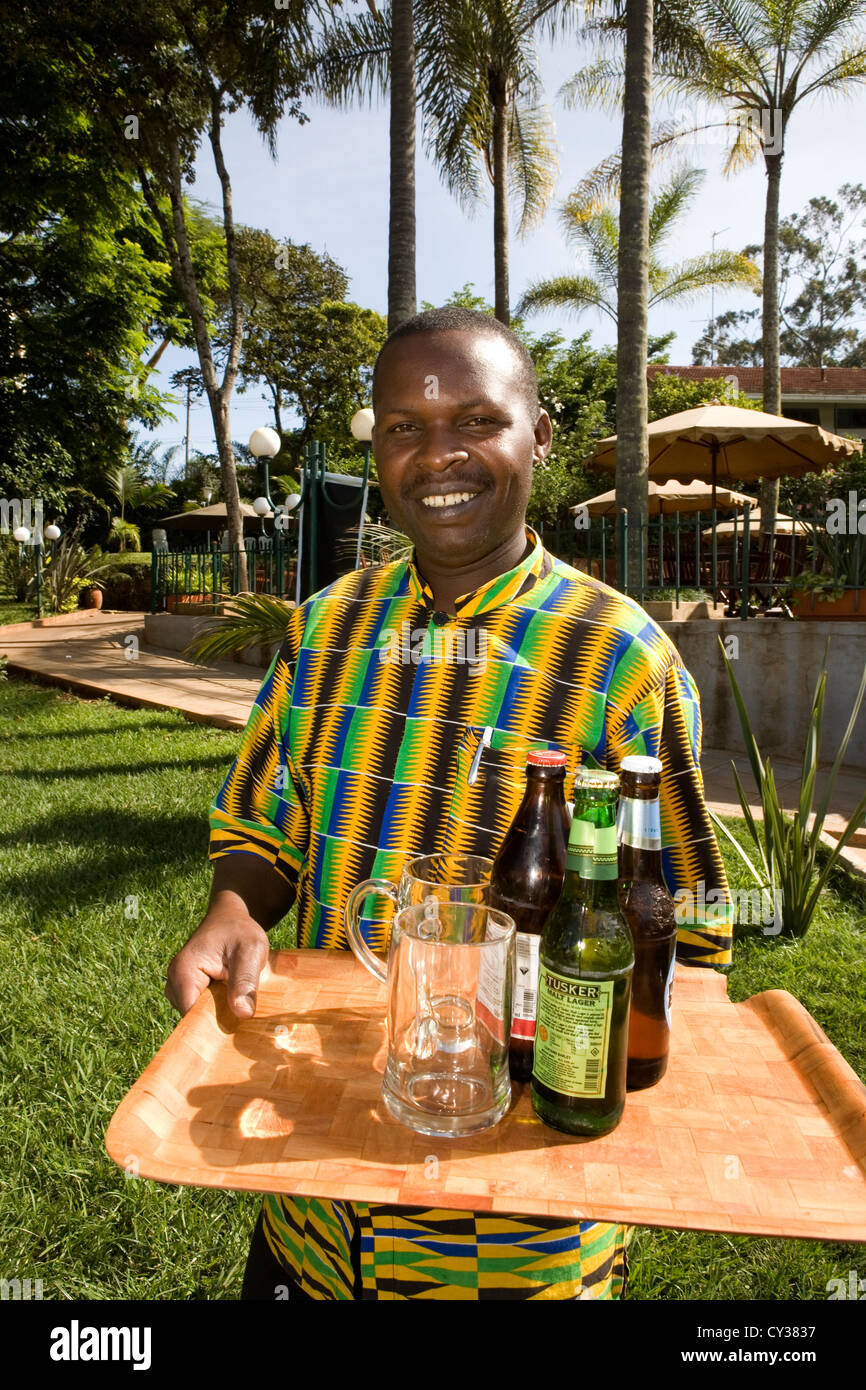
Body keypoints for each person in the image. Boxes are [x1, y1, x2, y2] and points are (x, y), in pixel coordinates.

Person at [165, 306, 734, 1301]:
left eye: (475, 419)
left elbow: (687, 927)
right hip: (310, 1203)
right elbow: (262, 822)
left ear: (538, 434)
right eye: (404, 427)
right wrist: (234, 907)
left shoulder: (619, 661)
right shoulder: (323, 630)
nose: (439, 455)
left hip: (514, 1236)